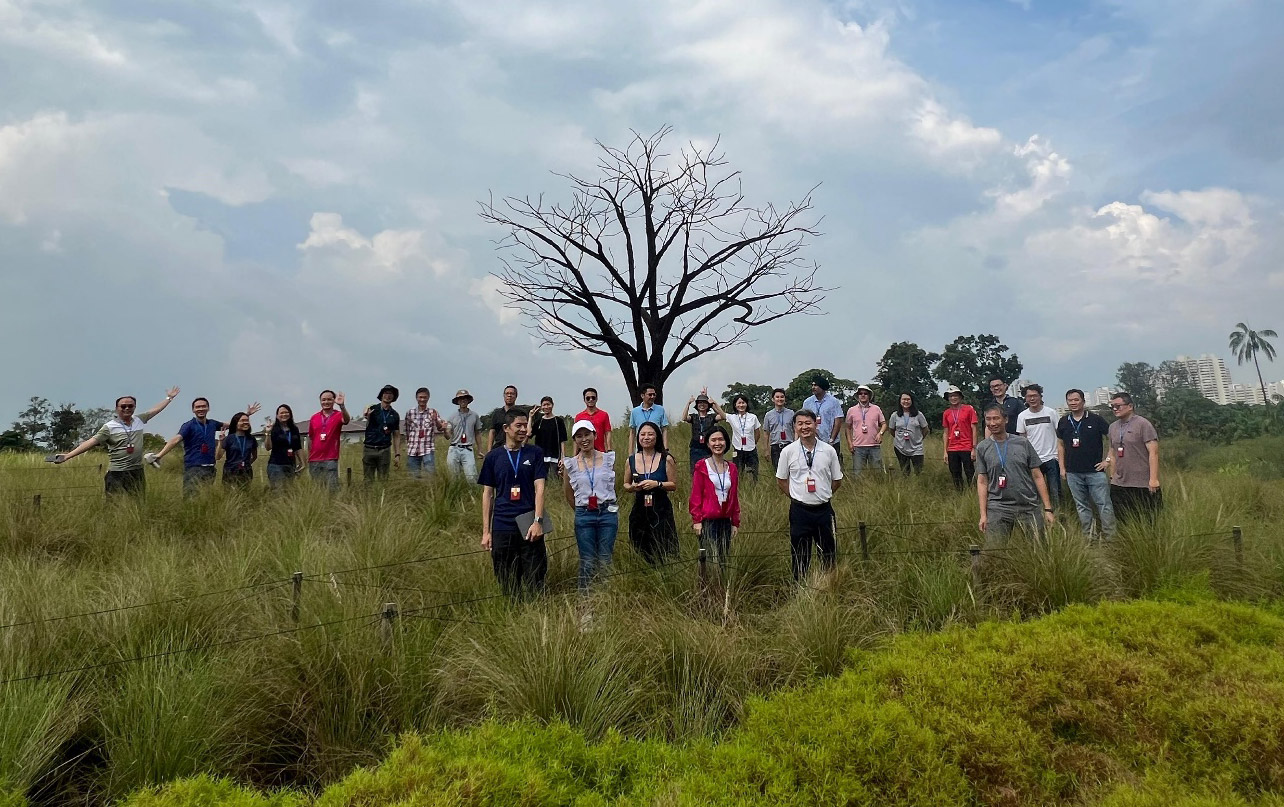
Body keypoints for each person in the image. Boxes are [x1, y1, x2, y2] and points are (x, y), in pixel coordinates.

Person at [54, 388, 181, 496]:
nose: (127, 408)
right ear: (117, 408)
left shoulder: (139, 419)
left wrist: (169, 398)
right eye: (123, 406)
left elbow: (156, 409)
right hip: (117, 474)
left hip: (137, 472)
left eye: (130, 406)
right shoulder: (109, 427)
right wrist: (67, 456)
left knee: (138, 504)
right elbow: (90, 442)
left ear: (134, 407)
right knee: (114, 506)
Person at [478, 409, 548, 598]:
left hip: (528, 522)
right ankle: (512, 614)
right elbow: (488, 494)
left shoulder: (535, 453)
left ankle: (535, 613)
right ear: (506, 428)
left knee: (535, 576)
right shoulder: (493, 457)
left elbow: (540, 488)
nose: (524, 429)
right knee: (507, 579)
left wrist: (538, 521)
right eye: (519, 425)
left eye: (525, 425)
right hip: (502, 524)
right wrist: (486, 531)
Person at [776, 409, 843, 580]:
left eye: (808, 423)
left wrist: (823, 495)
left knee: (828, 553)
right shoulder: (788, 451)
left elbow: (837, 480)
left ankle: (829, 586)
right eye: (800, 423)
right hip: (800, 511)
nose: (804, 427)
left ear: (815, 424)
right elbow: (781, 480)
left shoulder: (828, 451)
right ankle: (800, 590)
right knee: (800, 554)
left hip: (824, 510)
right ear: (795, 427)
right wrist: (796, 496)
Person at [975, 404, 1056, 542]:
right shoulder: (982, 447)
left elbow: (1037, 475)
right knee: (994, 552)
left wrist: (1048, 509)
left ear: (1006, 420)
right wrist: (983, 515)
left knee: (1037, 550)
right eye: (988, 419)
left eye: (996, 418)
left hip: (1028, 506)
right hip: (998, 507)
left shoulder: (1023, 443)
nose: (992, 423)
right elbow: (982, 481)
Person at [153, 397, 261, 497]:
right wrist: (160, 455)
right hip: (194, 467)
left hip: (210, 468)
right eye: (197, 407)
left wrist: (246, 415)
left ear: (208, 408)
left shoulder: (212, 424)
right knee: (191, 497)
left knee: (206, 497)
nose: (201, 409)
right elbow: (175, 439)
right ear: (193, 410)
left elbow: (232, 424)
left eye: (203, 406)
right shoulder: (189, 425)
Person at [563, 420, 618, 592]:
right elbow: (568, 493)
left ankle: (606, 597)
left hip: (607, 513)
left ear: (595, 435)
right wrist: (581, 510)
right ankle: (586, 600)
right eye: (579, 436)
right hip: (584, 514)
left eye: (587, 434)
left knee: (605, 558)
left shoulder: (608, 459)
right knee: (587, 560)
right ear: (575, 440)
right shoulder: (570, 464)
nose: (584, 439)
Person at [1056, 389, 1115, 538]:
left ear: (1083, 401)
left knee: (1104, 505)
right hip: (1073, 472)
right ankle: (1089, 537)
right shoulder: (1064, 421)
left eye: (1076, 400)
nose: (1073, 403)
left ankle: (1110, 537)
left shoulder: (1095, 419)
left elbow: (1113, 439)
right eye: (1070, 400)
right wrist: (1062, 467)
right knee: (1082, 506)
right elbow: (1060, 445)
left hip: (1095, 471)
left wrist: (1107, 460)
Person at [623, 421, 679, 565]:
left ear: (657, 437)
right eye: (642, 434)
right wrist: (632, 488)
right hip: (640, 509)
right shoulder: (631, 460)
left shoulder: (666, 459)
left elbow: (673, 485)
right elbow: (625, 484)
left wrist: (658, 484)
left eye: (650, 434)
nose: (646, 437)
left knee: (664, 546)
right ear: (638, 437)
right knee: (641, 546)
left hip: (661, 509)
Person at [689, 425, 740, 571]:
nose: (718, 443)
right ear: (708, 443)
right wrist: (697, 520)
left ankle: (722, 589)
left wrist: (735, 521)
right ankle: (708, 589)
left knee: (724, 559)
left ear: (726, 442)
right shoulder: (701, 466)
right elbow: (696, 495)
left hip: (725, 520)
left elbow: (734, 497)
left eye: (721, 439)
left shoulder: (732, 468)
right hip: (708, 521)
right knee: (710, 560)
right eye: (713, 440)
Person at [1107, 392, 1162, 523]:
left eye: (1118, 406)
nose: (1115, 409)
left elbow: (1153, 453)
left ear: (1130, 406)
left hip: (1141, 483)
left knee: (1148, 520)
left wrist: (1153, 479)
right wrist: (1112, 476)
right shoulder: (1113, 427)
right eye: (1112, 406)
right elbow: (1112, 452)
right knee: (1123, 520)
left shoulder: (1143, 424)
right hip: (1119, 483)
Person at [1014, 384, 1060, 508]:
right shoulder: (1022, 416)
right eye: (1029, 396)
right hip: (1033, 459)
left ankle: (1057, 514)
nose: (1032, 399)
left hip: (1051, 457)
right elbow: (1022, 438)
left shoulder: (1051, 412)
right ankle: (1039, 514)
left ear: (1040, 396)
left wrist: (1060, 457)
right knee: (1035, 491)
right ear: (1025, 398)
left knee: (1055, 491)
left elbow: (1059, 435)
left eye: (1035, 396)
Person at [307, 390, 350, 491]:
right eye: (323, 400)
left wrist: (342, 406)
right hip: (314, 459)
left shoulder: (338, 415)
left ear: (334, 401)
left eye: (329, 399)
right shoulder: (314, 417)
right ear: (320, 401)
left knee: (332, 488)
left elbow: (347, 420)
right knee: (317, 489)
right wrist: (309, 454)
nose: (326, 402)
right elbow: (311, 437)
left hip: (330, 458)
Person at [403, 387, 449, 478]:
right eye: (420, 397)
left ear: (428, 398)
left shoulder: (433, 412)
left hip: (427, 449)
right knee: (413, 477)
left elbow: (440, 428)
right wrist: (408, 443)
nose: (422, 399)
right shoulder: (410, 412)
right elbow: (407, 430)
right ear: (416, 398)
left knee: (430, 476)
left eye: (425, 397)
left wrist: (436, 420)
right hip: (413, 449)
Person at [941, 385, 979, 490]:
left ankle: (973, 494)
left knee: (970, 473)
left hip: (966, 446)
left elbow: (974, 428)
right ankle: (960, 494)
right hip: (952, 448)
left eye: (955, 395)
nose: (953, 398)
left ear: (960, 397)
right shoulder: (946, 413)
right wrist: (945, 451)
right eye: (951, 396)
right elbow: (946, 432)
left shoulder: (969, 409)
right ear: (948, 398)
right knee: (955, 474)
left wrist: (974, 448)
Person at [844, 384, 886, 476]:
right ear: (858, 395)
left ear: (869, 396)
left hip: (874, 446)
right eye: (860, 393)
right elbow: (847, 427)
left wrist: (880, 433)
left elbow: (884, 424)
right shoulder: (851, 410)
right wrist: (850, 443)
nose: (863, 395)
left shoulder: (876, 409)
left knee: (877, 473)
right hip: (858, 447)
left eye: (865, 393)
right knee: (858, 474)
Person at [802, 376, 845, 461]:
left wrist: (832, 439)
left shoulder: (833, 402)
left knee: (832, 467)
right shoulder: (807, 402)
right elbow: (804, 420)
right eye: (812, 385)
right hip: (813, 441)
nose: (813, 387)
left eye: (816, 385)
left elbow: (838, 421)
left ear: (823, 387)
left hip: (831, 441)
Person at [263, 404, 303, 490]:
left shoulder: (294, 429)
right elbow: (268, 447)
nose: (284, 414)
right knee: (278, 490)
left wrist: (302, 462)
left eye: (286, 412)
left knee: (288, 490)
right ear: (277, 416)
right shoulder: (273, 429)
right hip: (276, 464)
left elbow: (298, 447)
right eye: (281, 413)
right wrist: (268, 433)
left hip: (291, 464)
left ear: (290, 414)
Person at [684, 390, 725, 471]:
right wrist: (688, 403)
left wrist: (713, 404)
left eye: (704, 403)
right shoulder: (694, 417)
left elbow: (723, 416)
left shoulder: (711, 417)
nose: (702, 405)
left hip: (708, 448)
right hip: (695, 448)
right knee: (695, 470)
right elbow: (684, 418)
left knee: (709, 469)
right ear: (697, 405)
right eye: (700, 403)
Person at [890, 393, 930, 476]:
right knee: (905, 472)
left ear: (912, 401)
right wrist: (899, 438)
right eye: (904, 399)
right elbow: (891, 430)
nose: (906, 401)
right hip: (900, 447)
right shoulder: (895, 415)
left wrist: (918, 439)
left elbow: (925, 429)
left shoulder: (919, 415)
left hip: (916, 447)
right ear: (900, 401)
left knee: (919, 471)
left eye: (908, 399)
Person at [445, 389, 480, 481]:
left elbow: (477, 433)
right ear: (457, 401)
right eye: (460, 399)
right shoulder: (452, 417)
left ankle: (473, 495)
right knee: (453, 477)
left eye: (465, 398)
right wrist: (445, 430)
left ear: (468, 400)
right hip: (454, 448)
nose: (463, 400)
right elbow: (448, 436)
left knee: (472, 477)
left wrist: (480, 450)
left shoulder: (474, 416)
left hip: (468, 449)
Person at [530, 396, 569, 480]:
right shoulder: (539, 422)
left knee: (554, 481)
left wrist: (563, 457)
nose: (546, 407)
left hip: (554, 458)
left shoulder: (558, 421)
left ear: (552, 405)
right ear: (541, 407)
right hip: (540, 458)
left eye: (548, 404)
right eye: (544, 405)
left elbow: (562, 440)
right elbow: (529, 434)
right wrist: (530, 417)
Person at [217, 412, 258, 488]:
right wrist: (220, 441)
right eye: (242, 420)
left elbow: (255, 456)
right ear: (236, 423)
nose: (245, 422)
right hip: (230, 471)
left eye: (247, 420)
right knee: (230, 495)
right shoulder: (229, 438)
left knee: (245, 493)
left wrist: (246, 464)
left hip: (246, 471)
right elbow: (218, 456)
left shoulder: (251, 439)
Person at [727, 394, 762, 481]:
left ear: (746, 404)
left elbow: (757, 432)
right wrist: (712, 403)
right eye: (739, 403)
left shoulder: (753, 417)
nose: (741, 405)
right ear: (735, 405)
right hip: (738, 449)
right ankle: (740, 489)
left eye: (743, 403)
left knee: (753, 473)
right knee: (738, 473)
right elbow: (720, 413)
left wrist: (753, 443)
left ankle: (752, 490)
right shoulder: (732, 417)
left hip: (751, 449)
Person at [629, 383, 670, 453]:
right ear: (642, 395)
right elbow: (632, 432)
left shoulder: (660, 410)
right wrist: (630, 452)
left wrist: (665, 449)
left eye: (654, 394)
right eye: (650, 394)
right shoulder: (634, 411)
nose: (652, 397)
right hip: (641, 448)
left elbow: (664, 430)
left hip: (657, 448)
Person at [762, 388, 795, 470]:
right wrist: (766, 450)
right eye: (777, 397)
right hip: (775, 447)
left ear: (785, 398)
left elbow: (796, 430)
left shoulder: (791, 413)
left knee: (791, 470)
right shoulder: (768, 415)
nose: (780, 399)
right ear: (773, 399)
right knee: (778, 471)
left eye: (782, 397)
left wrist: (796, 445)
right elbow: (766, 433)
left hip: (789, 445)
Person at [574, 387, 613, 453]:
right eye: (588, 398)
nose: (591, 400)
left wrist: (609, 450)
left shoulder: (604, 415)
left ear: (596, 399)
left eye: (593, 397)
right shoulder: (579, 417)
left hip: (600, 451)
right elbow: (576, 437)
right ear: (584, 400)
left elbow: (607, 433)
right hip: (584, 452)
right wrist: (575, 454)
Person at [486, 385, 523, 451]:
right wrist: (489, 450)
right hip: (499, 447)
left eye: (512, 394)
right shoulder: (497, 413)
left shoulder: (520, 413)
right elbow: (492, 431)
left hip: (515, 447)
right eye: (507, 394)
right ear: (504, 396)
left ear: (516, 396)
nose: (509, 396)